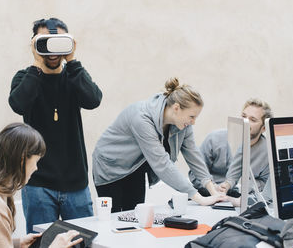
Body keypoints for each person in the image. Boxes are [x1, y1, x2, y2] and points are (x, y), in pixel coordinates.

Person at [8, 18, 102, 231]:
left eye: (58, 42)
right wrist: (36, 64)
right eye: (45, 42)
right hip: (38, 182)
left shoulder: (73, 76)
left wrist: (73, 60)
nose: (52, 49)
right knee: (41, 243)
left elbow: (93, 100)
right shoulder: (26, 77)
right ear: (34, 44)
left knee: (82, 243)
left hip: (76, 183)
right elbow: (18, 104)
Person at [93, 77, 223, 213]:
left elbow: (193, 155)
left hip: (136, 168)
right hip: (111, 168)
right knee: (114, 221)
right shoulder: (141, 117)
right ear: (176, 108)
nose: (193, 122)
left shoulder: (183, 124)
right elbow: (162, 163)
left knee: (134, 217)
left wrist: (213, 192)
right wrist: (199, 198)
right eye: (192, 117)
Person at [217, 99, 273, 195]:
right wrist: (215, 186)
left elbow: (267, 184)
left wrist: (244, 187)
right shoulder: (215, 139)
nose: (245, 122)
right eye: (243, 116)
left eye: (253, 120)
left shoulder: (268, 153)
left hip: (242, 199)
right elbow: (195, 174)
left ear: (263, 128)